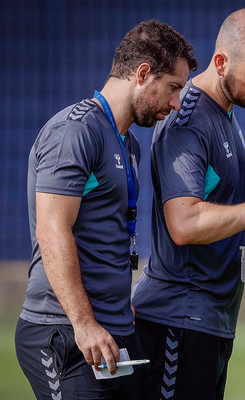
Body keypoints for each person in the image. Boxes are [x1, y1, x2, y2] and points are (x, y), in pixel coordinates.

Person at [15, 20, 197, 400]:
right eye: (174, 87)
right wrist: (84, 323)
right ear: (143, 74)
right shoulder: (75, 131)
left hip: (113, 330)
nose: (177, 103)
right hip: (65, 331)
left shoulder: (129, 144)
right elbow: (52, 229)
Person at [131, 8, 245, 400]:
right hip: (176, 323)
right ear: (222, 62)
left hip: (209, 326)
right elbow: (184, 222)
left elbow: (223, 192)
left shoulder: (225, 110)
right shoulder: (187, 120)